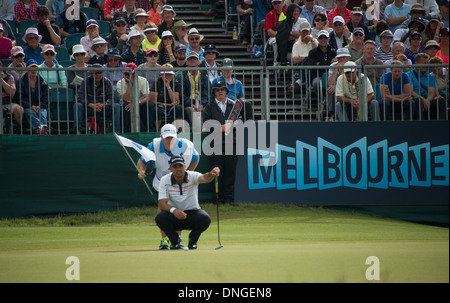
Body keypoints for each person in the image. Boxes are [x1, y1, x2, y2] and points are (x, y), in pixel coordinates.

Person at [137, 124, 200, 249]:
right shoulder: (154, 145)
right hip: (161, 183)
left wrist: (187, 174)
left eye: (172, 137)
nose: (169, 140)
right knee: (164, 209)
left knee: (178, 208)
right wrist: (141, 171)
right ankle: (164, 240)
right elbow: (142, 161)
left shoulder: (186, 146)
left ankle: (178, 239)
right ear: (161, 137)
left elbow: (195, 158)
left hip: (178, 183)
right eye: (167, 138)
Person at [202, 81, 253, 206]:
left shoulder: (234, 106)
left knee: (230, 172)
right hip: (215, 143)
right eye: (217, 90)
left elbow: (244, 121)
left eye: (222, 89)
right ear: (214, 92)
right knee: (217, 171)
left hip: (232, 142)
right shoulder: (209, 106)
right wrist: (220, 128)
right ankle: (218, 199)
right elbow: (205, 125)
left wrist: (231, 125)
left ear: (226, 91)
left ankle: (229, 199)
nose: (220, 92)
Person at [155, 155, 216, 250]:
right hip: (174, 216)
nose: (178, 169)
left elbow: (205, 178)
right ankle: (175, 241)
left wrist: (211, 174)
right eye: (175, 166)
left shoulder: (192, 175)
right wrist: (174, 211)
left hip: (192, 214)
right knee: (160, 218)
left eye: (180, 166)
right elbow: (162, 204)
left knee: (205, 218)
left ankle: (192, 241)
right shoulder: (165, 180)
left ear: (185, 167)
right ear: (170, 168)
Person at [74, 64, 121, 134]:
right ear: (92, 74)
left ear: (102, 73)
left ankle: (116, 132)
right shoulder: (85, 81)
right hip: (89, 109)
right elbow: (80, 97)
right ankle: (78, 131)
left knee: (116, 106)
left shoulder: (107, 82)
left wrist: (103, 105)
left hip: (103, 109)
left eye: (99, 73)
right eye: (95, 73)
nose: (98, 75)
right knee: (77, 105)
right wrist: (90, 105)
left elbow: (112, 98)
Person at [116, 62, 154, 132]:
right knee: (126, 106)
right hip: (127, 105)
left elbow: (147, 97)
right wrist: (129, 84)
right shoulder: (120, 83)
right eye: (126, 74)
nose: (128, 76)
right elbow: (126, 99)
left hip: (140, 104)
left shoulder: (143, 80)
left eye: (131, 74)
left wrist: (136, 103)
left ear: (136, 73)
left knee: (148, 105)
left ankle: (150, 131)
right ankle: (125, 132)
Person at [409, 53, 446, 120]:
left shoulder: (430, 77)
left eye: (427, 63)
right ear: (416, 63)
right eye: (424, 63)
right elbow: (410, 91)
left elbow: (432, 92)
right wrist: (423, 100)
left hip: (428, 100)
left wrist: (426, 101)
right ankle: (419, 125)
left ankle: (441, 125)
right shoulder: (409, 75)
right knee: (418, 101)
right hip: (415, 99)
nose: (426, 65)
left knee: (440, 101)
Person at [178, 52, 210, 127]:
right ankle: (200, 132)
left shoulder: (204, 77)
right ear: (186, 62)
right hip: (189, 104)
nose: (192, 60)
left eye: (194, 59)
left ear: (198, 62)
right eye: (190, 59)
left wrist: (202, 104)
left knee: (206, 110)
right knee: (192, 111)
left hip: (202, 103)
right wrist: (191, 104)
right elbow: (181, 94)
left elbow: (207, 93)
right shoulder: (182, 77)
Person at [150, 63, 184, 130]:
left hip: (172, 106)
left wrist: (168, 87)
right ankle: (158, 130)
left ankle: (179, 130)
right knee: (156, 110)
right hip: (160, 105)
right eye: (166, 74)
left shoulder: (175, 83)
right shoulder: (157, 83)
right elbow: (153, 101)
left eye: (170, 74)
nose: (168, 76)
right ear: (161, 74)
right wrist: (167, 104)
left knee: (179, 108)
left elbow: (176, 101)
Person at [307, 30, 337, 102]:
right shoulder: (312, 52)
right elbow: (312, 66)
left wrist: (319, 64)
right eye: (321, 38)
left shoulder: (333, 51)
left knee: (334, 85)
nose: (323, 40)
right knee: (316, 83)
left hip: (331, 75)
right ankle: (321, 101)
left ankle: (330, 107)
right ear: (318, 39)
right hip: (318, 76)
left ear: (328, 39)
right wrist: (329, 64)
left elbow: (336, 64)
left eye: (325, 38)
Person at [20, 59, 49, 135]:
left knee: (43, 113)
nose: (33, 70)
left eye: (35, 68)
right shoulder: (21, 81)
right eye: (31, 68)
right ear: (27, 69)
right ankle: (40, 128)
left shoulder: (42, 81)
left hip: (40, 106)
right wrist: (31, 106)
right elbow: (20, 97)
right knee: (29, 113)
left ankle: (41, 130)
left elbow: (46, 97)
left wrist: (40, 106)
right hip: (28, 106)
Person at [326, 47, 351, 120]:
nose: (342, 59)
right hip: (338, 87)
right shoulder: (333, 66)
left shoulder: (352, 64)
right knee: (330, 89)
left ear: (349, 57)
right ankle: (332, 114)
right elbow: (330, 83)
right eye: (340, 57)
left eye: (344, 57)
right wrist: (336, 69)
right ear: (337, 58)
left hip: (349, 87)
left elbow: (352, 81)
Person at [1, 66, 23, 134]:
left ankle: (18, 131)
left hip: (8, 104)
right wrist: (6, 93)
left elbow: (12, 93)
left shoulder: (9, 76)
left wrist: (1, 80)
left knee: (19, 110)